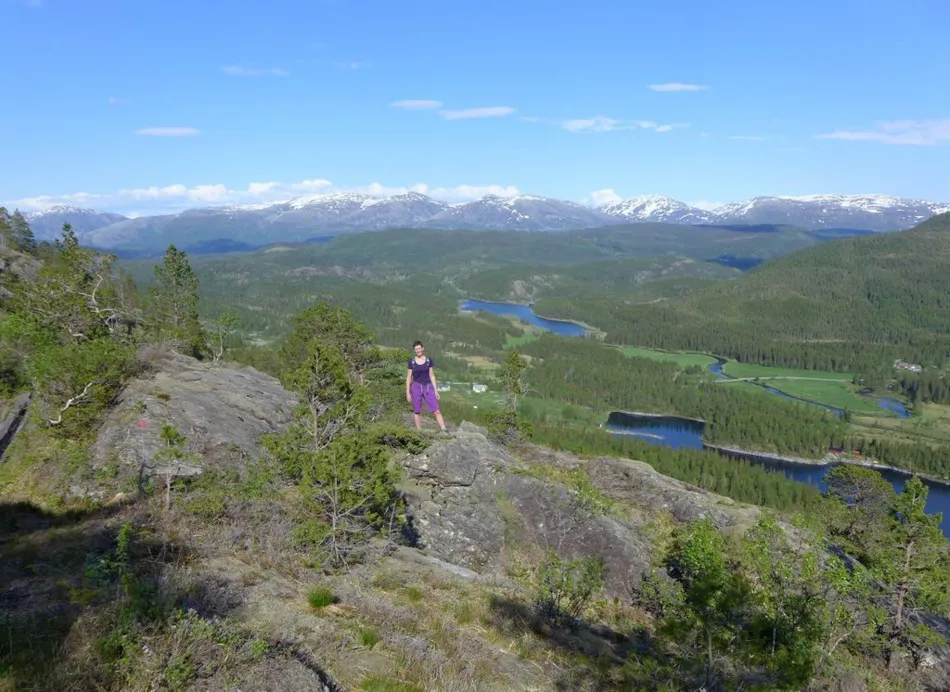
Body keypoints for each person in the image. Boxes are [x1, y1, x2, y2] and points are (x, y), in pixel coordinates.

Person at [406, 340, 447, 432]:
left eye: (419, 348)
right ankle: (419, 431)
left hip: (428, 387)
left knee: (436, 410)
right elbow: (409, 377)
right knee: (417, 410)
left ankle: (444, 429)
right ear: (414, 350)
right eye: (416, 349)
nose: (418, 350)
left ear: (423, 348)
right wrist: (407, 392)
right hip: (416, 387)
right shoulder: (411, 362)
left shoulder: (429, 361)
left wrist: (436, 390)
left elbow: (432, 375)